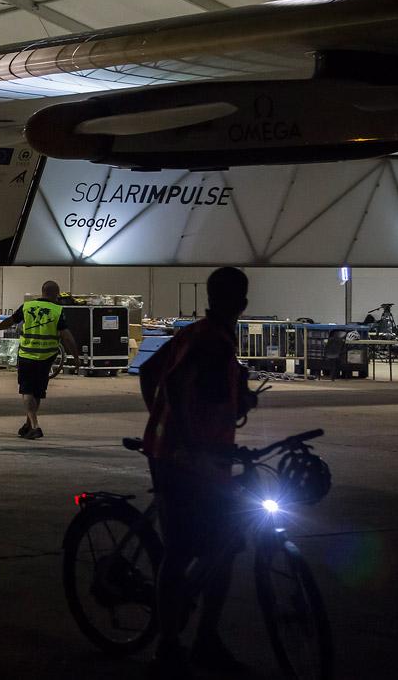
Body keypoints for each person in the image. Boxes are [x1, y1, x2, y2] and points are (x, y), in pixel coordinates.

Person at [140, 267, 258, 678]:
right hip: (184, 459)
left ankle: (205, 640)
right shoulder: (212, 340)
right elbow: (174, 385)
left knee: (222, 546)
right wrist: (181, 437)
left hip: (207, 457)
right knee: (183, 550)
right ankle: (169, 647)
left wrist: (158, 421)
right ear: (242, 304)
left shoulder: (198, 333)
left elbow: (150, 373)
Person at [0, 280, 79, 439]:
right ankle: (28, 424)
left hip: (27, 355)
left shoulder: (27, 306)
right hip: (46, 357)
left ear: (42, 292)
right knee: (37, 391)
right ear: (56, 294)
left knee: (27, 390)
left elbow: (10, 320)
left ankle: (35, 426)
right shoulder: (57, 310)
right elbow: (66, 336)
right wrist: (75, 356)